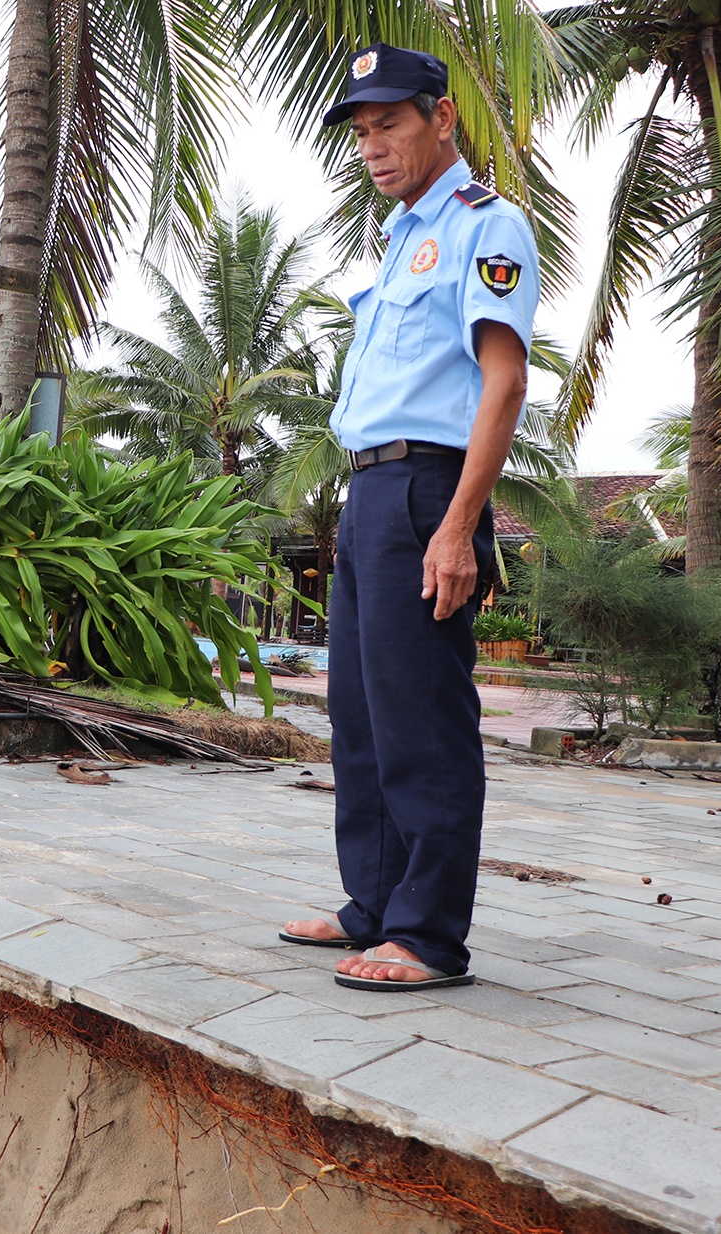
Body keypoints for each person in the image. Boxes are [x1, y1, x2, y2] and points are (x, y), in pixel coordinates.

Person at [275, 43, 539, 991]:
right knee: (360, 712)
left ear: (441, 119)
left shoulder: (486, 226)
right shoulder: (398, 238)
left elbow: (502, 382)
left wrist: (458, 525)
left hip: (429, 487)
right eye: (362, 129)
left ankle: (428, 936)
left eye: (391, 123)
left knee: (423, 714)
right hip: (372, 489)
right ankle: (375, 907)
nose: (374, 145)